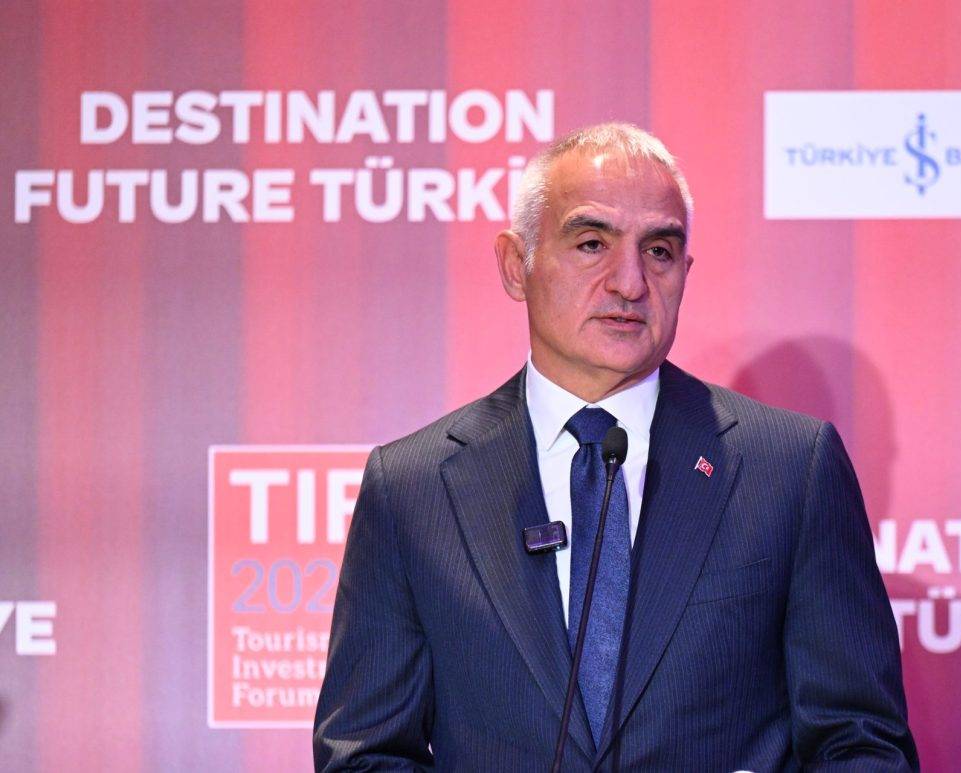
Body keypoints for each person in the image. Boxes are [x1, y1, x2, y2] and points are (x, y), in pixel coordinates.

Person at [313, 123, 918, 771]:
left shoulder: (789, 469)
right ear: (516, 265)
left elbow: (861, 743)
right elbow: (365, 754)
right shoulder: (412, 488)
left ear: (685, 273)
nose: (630, 282)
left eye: (658, 251)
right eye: (592, 243)